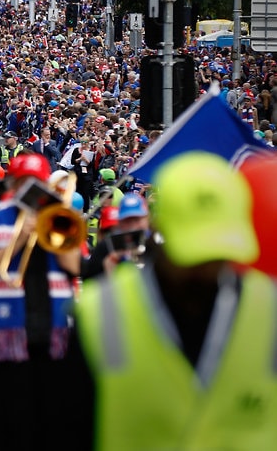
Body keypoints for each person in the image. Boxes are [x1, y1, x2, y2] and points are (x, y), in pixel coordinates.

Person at [66, 152, 277, 450]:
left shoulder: (268, 307)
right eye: (194, 254)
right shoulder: (98, 311)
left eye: (219, 255)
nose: (206, 268)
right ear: (159, 230)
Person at [0, 153, 80, 449]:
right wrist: (18, 239)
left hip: (52, 336)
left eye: (36, 183)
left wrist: (53, 224)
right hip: (7, 341)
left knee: (51, 427)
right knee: (9, 426)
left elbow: (74, 266)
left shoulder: (59, 217)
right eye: (23, 183)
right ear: (13, 185)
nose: (29, 189)